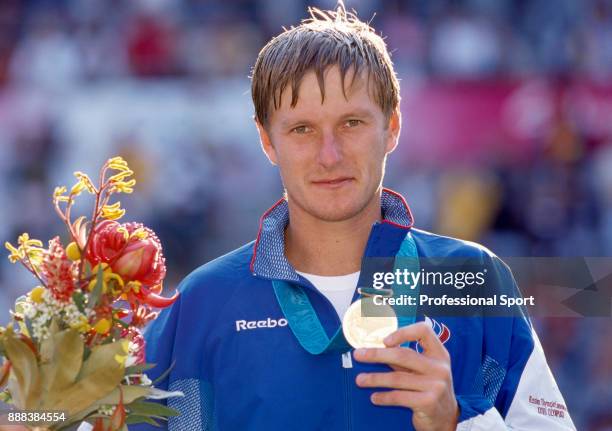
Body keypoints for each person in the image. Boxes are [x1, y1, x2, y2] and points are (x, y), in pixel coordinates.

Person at [137, 4, 576, 430]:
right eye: (302, 129)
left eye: (351, 123)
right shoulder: (202, 303)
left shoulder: (472, 281)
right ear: (267, 141)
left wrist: (455, 423)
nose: (329, 156)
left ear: (393, 126)